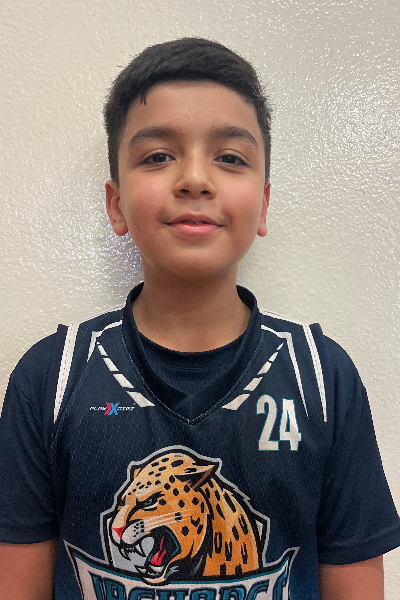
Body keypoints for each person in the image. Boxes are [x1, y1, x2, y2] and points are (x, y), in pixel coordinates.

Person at [0, 37, 399, 600]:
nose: (194, 178)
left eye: (230, 157)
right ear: (116, 204)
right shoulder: (51, 379)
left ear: (263, 205)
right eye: (158, 156)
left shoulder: (322, 378)